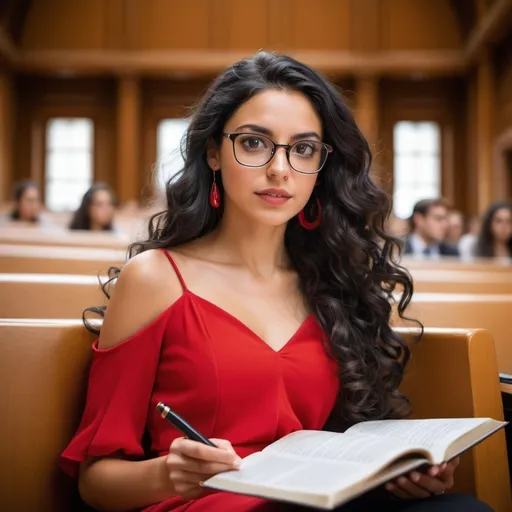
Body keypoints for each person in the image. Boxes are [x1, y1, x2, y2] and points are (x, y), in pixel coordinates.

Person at [60, 52, 492, 512]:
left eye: (303, 149)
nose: (280, 170)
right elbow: (97, 481)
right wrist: (170, 473)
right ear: (213, 151)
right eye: (253, 143)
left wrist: (400, 474)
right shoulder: (155, 279)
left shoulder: (330, 284)